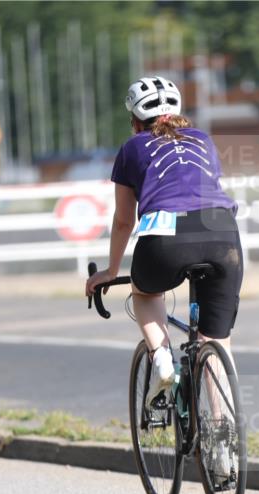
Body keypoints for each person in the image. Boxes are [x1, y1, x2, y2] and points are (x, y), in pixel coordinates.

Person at [85, 76, 243, 406]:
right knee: (216, 340)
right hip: (223, 234)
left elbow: (124, 219)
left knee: (144, 292)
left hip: (166, 235)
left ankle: (161, 360)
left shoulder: (131, 149)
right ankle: (225, 432)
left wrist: (111, 270)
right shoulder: (202, 140)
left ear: (134, 121)